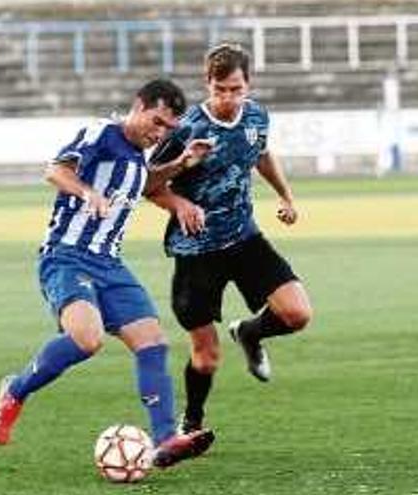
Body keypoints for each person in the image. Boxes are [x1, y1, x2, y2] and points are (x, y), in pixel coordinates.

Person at [0, 79, 215, 468]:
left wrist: (181, 163)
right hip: (67, 256)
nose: (158, 133)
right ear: (138, 105)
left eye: (167, 129)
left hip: (110, 263)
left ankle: (165, 440)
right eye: (156, 121)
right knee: (87, 339)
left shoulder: (141, 153)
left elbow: (144, 184)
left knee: (152, 341)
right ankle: (15, 389)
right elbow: (56, 171)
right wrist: (86, 192)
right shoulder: (102, 133)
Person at [145, 43, 314, 438]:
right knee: (205, 358)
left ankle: (251, 332)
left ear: (248, 85)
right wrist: (179, 203)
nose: (227, 98)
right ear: (208, 84)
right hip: (196, 250)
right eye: (220, 89)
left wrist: (285, 196)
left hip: (244, 238)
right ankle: (193, 422)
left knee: (297, 314)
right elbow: (148, 184)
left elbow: (260, 154)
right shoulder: (186, 128)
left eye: (235, 89)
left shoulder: (256, 117)